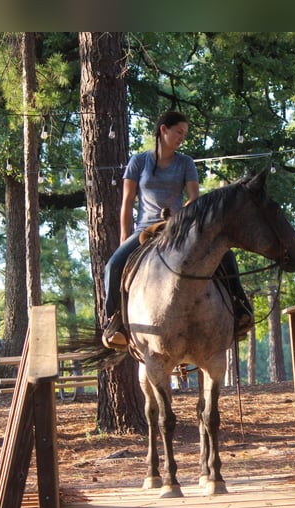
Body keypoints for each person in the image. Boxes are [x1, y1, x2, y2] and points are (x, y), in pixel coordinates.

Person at [102, 110, 253, 350]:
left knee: (224, 253)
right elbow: (127, 202)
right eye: (178, 132)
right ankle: (113, 321)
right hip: (145, 229)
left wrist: (181, 216)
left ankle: (239, 307)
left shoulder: (186, 163)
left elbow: (194, 198)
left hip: (179, 228)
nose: (182, 137)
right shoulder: (138, 162)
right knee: (112, 265)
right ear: (164, 129)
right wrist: (124, 237)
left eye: (184, 134)